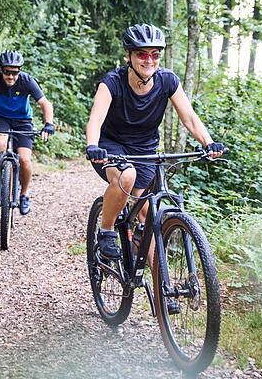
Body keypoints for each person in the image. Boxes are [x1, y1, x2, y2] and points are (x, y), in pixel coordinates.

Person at [84, 23, 224, 260]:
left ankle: (162, 291)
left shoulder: (167, 80)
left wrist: (208, 142)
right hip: (111, 145)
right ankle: (106, 231)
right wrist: (93, 146)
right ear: (128, 56)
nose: (149, 60)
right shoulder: (112, 82)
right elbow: (95, 119)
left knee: (150, 216)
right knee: (126, 176)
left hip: (145, 149)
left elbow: (188, 117)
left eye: (155, 54)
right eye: (142, 54)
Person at [0, 50, 54, 215]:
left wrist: (48, 124)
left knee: (25, 159)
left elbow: (45, 103)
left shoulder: (26, 80)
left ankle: (24, 195)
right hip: (1, 118)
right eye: (7, 72)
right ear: (1, 70)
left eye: (15, 72)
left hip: (23, 121)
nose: (11, 76)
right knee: (0, 145)